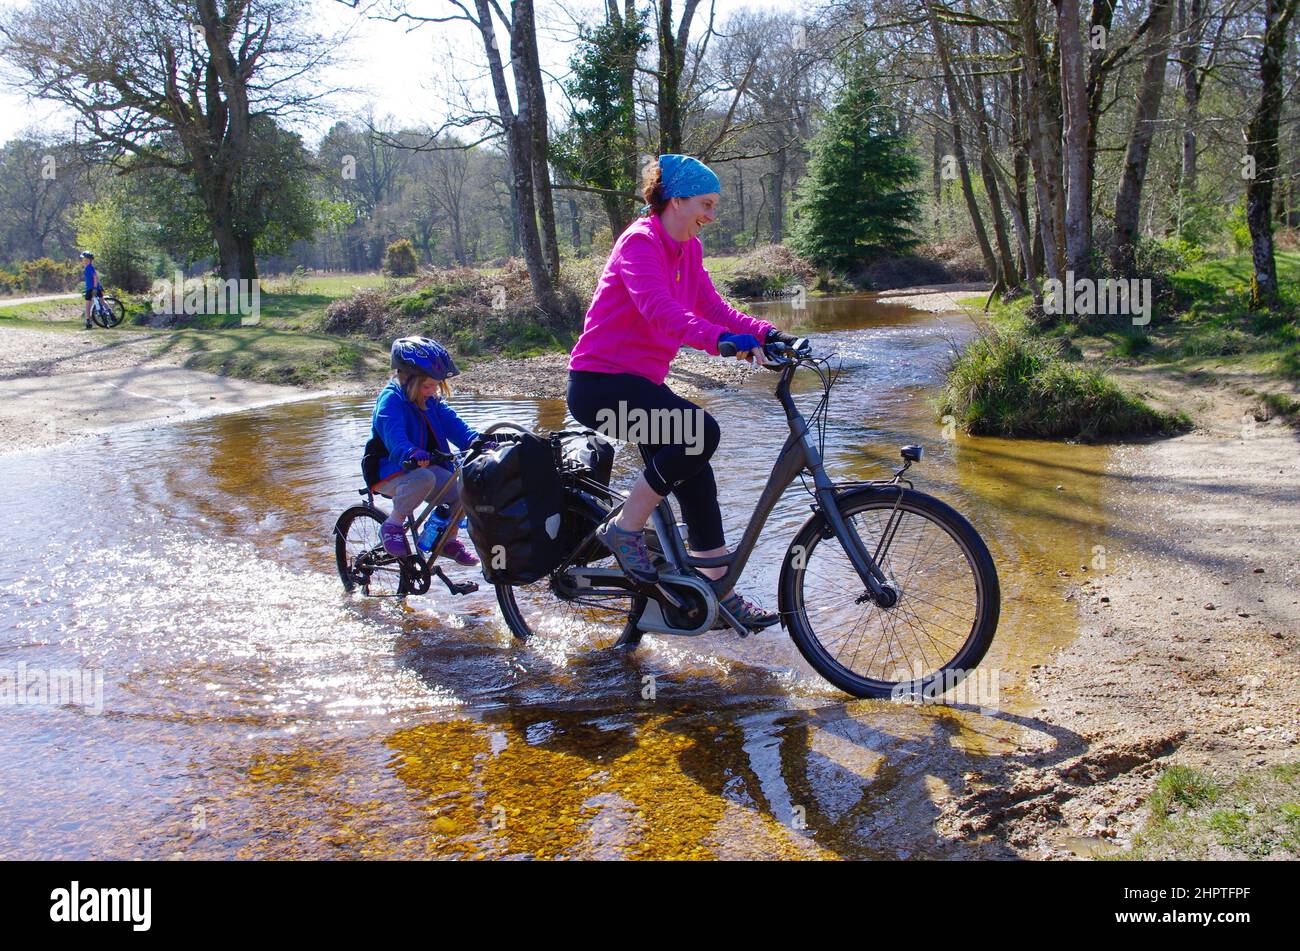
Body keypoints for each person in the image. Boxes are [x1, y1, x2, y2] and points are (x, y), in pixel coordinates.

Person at [566, 154, 799, 630]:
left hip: (639, 386)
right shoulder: (640, 243)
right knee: (700, 432)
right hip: (599, 387)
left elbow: (712, 306)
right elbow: (660, 312)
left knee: (695, 469)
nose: (711, 217)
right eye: (706, 205)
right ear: (676, 200)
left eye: (714, 207)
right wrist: (721, 343)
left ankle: (716, 591)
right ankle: (624, 529)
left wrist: (766, 332)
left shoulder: (687, 249)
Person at [369, 335, 481, 566]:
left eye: (436, 386)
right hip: (388, 469)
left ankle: (447, 541)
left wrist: (476, 441)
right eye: (428, 385)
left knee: (462, 488)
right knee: (424, 477)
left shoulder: (431, 401)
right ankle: (392, 525)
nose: (432, 391)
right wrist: (409, 452)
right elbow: (394, 433)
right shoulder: (391, 400)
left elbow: (454, 424)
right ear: (407, 378)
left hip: (423, 469)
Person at [80, 251, 103, 329]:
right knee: (102, 301)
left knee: (88, 305)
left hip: (92, 288)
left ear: (88, 260)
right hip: (94, 287)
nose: (82, 260)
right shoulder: (89, 267)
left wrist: (95, 288)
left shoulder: (89, 267)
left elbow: (95, 277)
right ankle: (110, 314)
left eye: (84, 259)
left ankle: (88, 320)